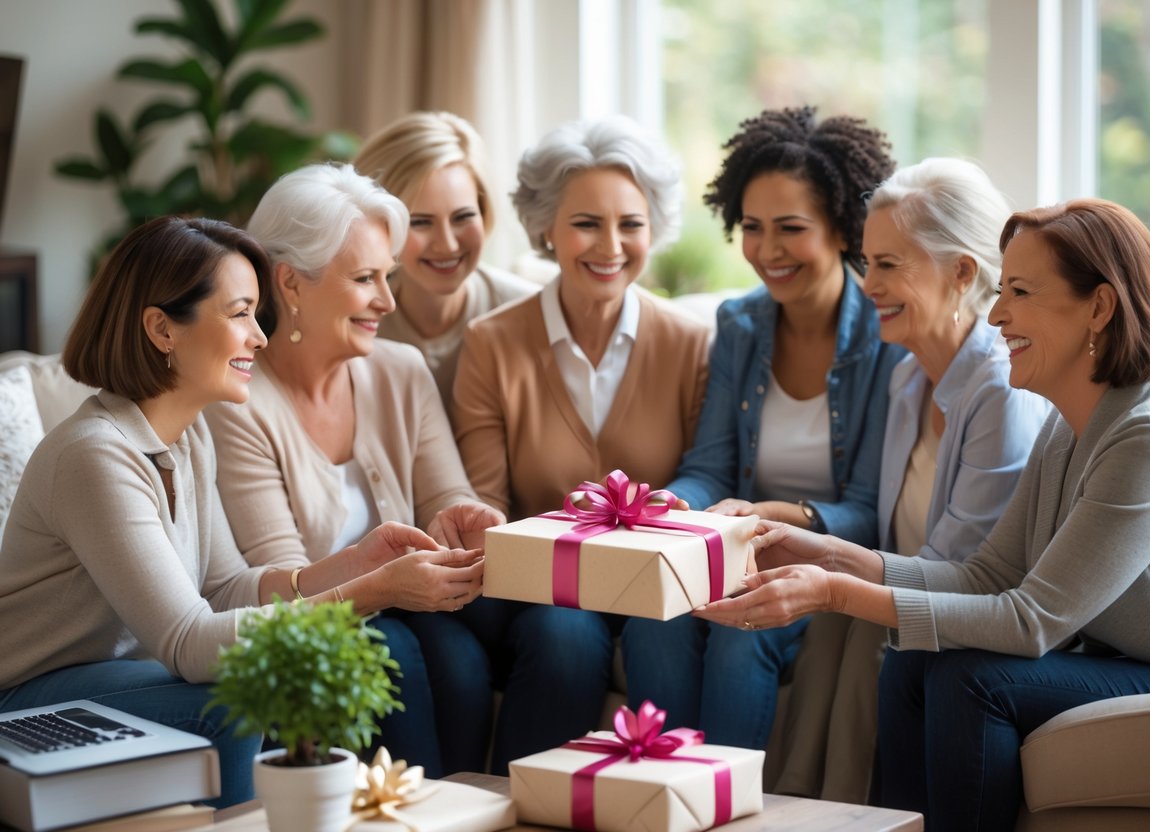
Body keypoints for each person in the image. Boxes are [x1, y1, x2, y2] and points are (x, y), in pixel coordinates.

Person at [694, 198, 1150, 832]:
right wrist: (820, 551)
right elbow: (988, 574)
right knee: (916, 656)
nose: (996, 314)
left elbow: (1033, 621)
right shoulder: (1068, 421)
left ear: (1099, 308)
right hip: (1121, 655)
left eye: (1019, 291)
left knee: (974, 679)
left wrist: (833, 593)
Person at [0, 217, 478, 807]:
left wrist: (354, 563)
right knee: (238, 694)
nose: (260, 336)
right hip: (26, 699)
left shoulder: (189, 435)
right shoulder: (96, 455)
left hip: (114, 680)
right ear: (162, 329)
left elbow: (225, 588)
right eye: (240, 313)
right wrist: (374, 592)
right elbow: (192, 645)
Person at [621, 105, 902, 753]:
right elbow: (709, 467)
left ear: (841, 229)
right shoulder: (740, 324)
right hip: (731, 548)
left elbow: (866, 510)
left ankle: (723, 808)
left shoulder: (886, 337)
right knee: (649, 619)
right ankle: (657, 800)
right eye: (751, 227)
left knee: (735, 635)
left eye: (789, 228)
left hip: (819, 558)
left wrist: (770, 513)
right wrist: (675, 503)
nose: (766, 251)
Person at [206, 163, 502, 776]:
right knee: (391, 651)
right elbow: (283, 581)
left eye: (387, 276)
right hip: (324, 613)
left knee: (468, 658)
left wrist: (464, 515)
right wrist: (387, 588)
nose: (388, 301)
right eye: (366, 278)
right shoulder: (238, 402)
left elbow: (445, 492)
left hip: (408, 598)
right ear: (288, 284)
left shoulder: (402, 370)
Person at [771, 158, 1051, 802]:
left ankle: (839, 812)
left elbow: (971, 574)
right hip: (912, 597)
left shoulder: (1003, 389)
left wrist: (834, 573)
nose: (868, 285)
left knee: (852, 612)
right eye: (868, 263)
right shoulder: (904, 374)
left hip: (975, 622)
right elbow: (879, 522)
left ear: (962, 274)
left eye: (891, 265)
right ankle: (803, 806)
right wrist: (787, 526)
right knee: (832, 616)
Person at [440, 115, 711, 773]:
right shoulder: (491, 344)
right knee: (563, 633)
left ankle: (665, 805)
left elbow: (709, 473)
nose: (611, 245)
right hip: (543, 594)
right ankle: (518, 811)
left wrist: (669, 511)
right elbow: (484, 503)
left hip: (655, 581)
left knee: (664, 628)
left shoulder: (691, 342)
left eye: (631, 224)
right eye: (586, 222)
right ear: (545, 231)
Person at [353, 111, 537, 412]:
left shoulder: (532, 315)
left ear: (485, 212)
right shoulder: (352, 328)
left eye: (463, 217)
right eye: (421, 222)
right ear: (380, 226)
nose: (448, 244)